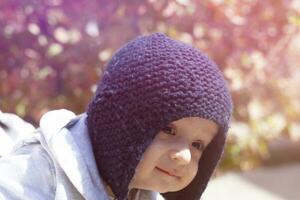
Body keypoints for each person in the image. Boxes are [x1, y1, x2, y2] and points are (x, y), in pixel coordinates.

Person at [0, 32, 232, 200]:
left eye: (198, 144)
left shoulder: (142, 190)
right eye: (169, 130)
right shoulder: (37, 175)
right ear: (123, 126)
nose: (184, 155)